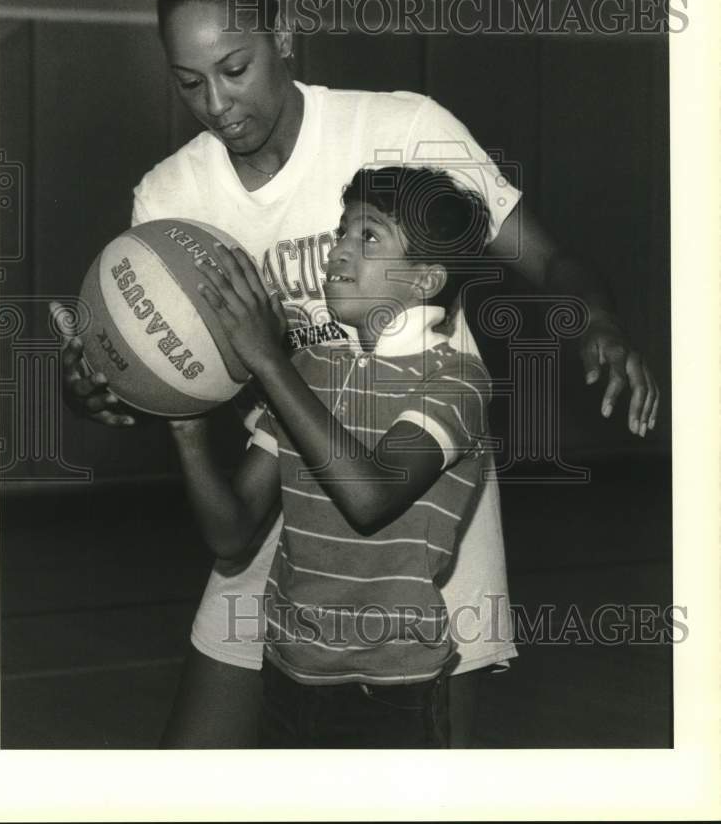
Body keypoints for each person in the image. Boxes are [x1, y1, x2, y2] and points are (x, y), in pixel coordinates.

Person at [52, 0, 660, 748]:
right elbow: (157, 374)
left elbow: (545, 258)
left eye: (234, 68)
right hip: (286, 483)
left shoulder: (403, 128)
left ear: (285, 34)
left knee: (421, 777)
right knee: (190, 771)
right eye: (189, 82)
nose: (217, 104)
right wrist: (95, 386)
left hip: (420, 499)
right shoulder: (171, 197)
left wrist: (599, 323)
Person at [171, 165, 495, 747]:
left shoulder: (456, 382)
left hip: (390, 690)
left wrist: (268, 362)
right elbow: (231, 532)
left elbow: (369, 497)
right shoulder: (309, 373)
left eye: (368, 237)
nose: (337, 252)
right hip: (286, 672)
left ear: (425, 280)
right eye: (341, 233)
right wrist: (184, 420)